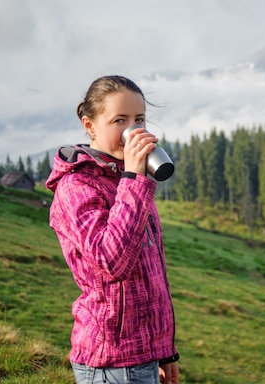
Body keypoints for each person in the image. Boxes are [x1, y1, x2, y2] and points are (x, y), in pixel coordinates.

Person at [46, 75, 179, 384]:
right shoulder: (77, 186)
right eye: (120, 120)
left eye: (139, 119)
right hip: (112, 362)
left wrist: (165, 349)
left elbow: (150, 275)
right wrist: (134, 176)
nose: (133, 130)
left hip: (142, 356)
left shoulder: (125, 179)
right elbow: (113, 262)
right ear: (89, 125)